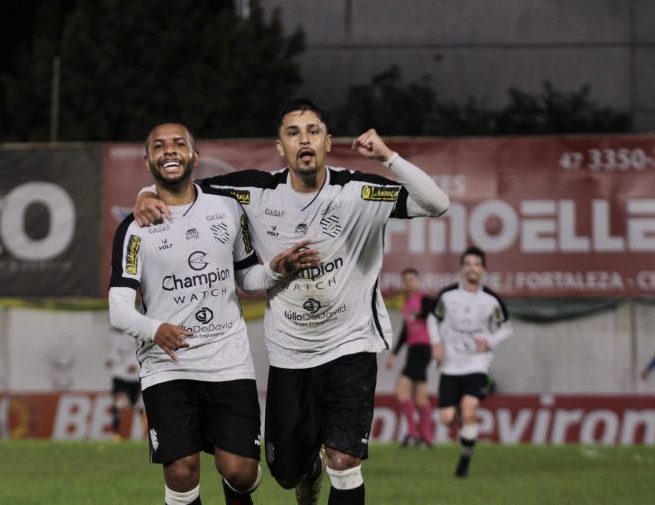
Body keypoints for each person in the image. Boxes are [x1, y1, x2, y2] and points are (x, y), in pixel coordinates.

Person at [134, 99, 449, 505]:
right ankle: (307, 469)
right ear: (280, 147)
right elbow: (181, 186)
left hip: (350, 345)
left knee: (345, 459)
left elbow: (436, 203)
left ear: (328, 142)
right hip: (290, 353)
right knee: (285, 472)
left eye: (313, 131)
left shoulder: (357, 191)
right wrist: (146, 192)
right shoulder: (254, 191)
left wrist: (389, 157)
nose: (305, 139)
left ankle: (330, 464)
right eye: (293, 132)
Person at [109, 122, 319, 505]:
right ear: (147, 161)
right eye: (159, 146)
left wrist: (276, 269)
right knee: (181, 470)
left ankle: (234, 486)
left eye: (178, 144)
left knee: (240, 472)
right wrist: (155, 329)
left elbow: (246, 276)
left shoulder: (225, 208)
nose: (169, 151)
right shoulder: (134, 229)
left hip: (227, 359)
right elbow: (118, 309)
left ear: (195, 157)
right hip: (167, 365)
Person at [427, 246, 513, 478]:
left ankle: (464, 462)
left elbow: (506, 328)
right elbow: (433, 319)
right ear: (462, 268)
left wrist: (490, 342)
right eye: (468, 264)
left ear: (483, 269)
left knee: (468, 411)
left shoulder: (491, 300)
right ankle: (460, 417)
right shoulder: (447, 296)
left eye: (477, 264)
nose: (472, 268)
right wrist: (436, 343)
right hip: (450, 364)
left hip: (477, 363)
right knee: (447, 419)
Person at [385, 268, 436, 448]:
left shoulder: (424, 299)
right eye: (405, 280)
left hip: (423, 349)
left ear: (418, 280)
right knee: (421, 397)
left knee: (401, 390)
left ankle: (412, 433)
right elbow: (405, 332)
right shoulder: (406, 303)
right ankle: (428, 439)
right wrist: (394, 354)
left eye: (412, 279)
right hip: (413, 351)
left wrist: (421, 313)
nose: (409, 283)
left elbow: (436, 310)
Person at [105, 327, 142, 442]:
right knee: (117, 402)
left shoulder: (137, 334)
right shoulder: (113, 336)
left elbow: (142, 352)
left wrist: (136, 366)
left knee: (134, 404)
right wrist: (110, 361)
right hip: (119, 376)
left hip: (133, 378)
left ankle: (146, 430)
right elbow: (113, 353)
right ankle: (116, 433)